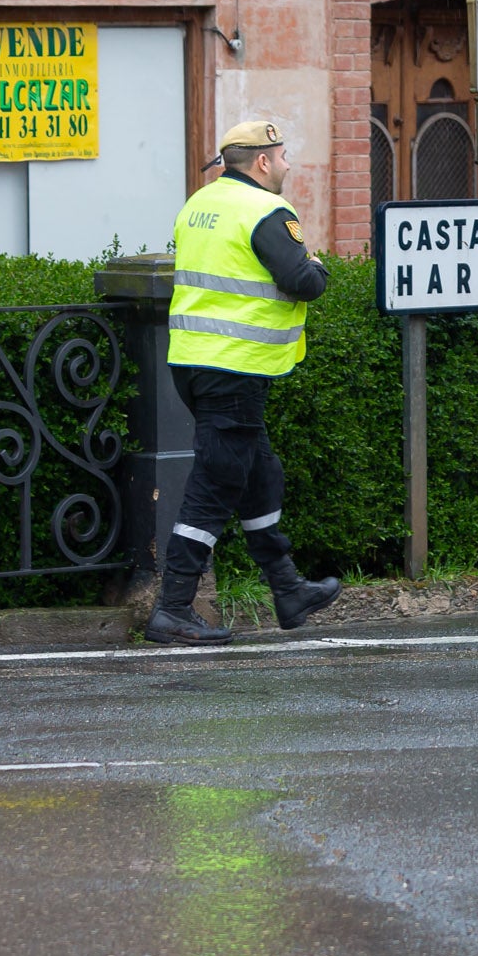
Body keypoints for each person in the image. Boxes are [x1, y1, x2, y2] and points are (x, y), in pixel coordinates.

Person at [151, 120, 340, 645]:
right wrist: (319, 266)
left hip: (194, 361)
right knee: (215, 487)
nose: (285, 165)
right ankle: (172, 608)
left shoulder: (199, 204)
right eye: (281, 156)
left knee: (260, 474)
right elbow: (302, 280)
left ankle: (288, 589)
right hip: (234, 367)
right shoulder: (265, 211)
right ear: (261, 162)